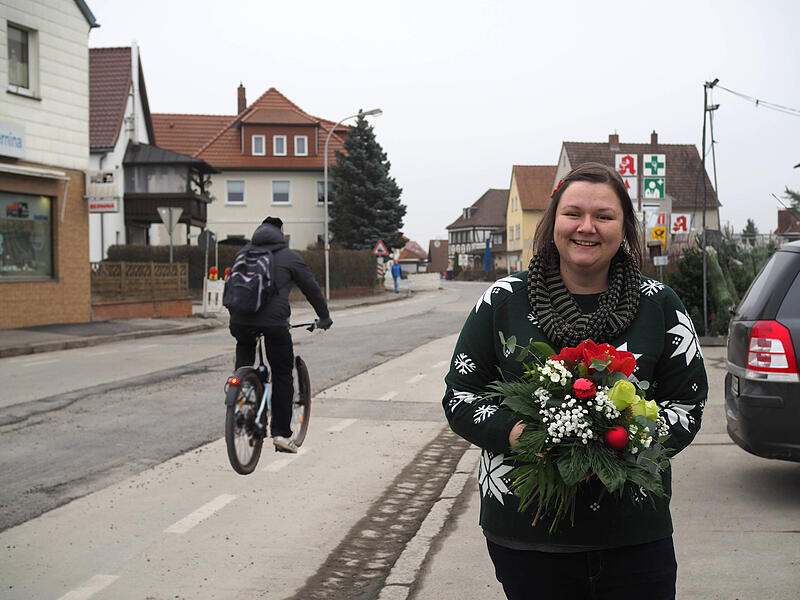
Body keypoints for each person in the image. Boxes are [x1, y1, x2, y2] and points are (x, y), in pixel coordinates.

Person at [442, 162, 707, 599]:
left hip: (634, 532)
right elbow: (460, 396)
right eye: (573, 214)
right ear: (553, 223)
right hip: (527, 531)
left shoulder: (659, 304)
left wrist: (625, 441)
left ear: (624, 228)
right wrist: (518, 432)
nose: (587, 227)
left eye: (604, 216)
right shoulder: (503, 300)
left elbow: (687, 403)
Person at [228, 216, 332, 453]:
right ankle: (282, 434)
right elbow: (312, 289)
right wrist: (324, 317)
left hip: (240, 321)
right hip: (274, 325)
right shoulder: (289, 257)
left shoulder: (243, 253)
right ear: (280, 234)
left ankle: (240, 397)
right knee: (282, 373)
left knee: (244, 355)